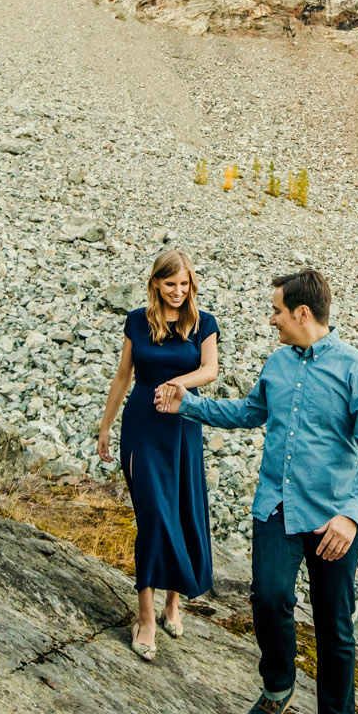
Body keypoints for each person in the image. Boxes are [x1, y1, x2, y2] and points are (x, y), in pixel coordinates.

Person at [155, 268, 358, 714]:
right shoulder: (279, 363)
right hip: (276, 507)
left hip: (334, 521)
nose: (272, 319)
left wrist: (352, 516)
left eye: (277, 311)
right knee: (268, 598)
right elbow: (249, 412)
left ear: (302, 314)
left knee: (335, 631)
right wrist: (186, 404)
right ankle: (277, 686)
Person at [99, 248, 219, 660]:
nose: (178, 292)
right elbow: (123, 375)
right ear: (155, 283)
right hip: (141, 428)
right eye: (170, 284)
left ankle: (173, 602)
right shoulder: (136, 320)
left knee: (181, 509)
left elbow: (210, 370)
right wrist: (105, 425)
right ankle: (146, 615)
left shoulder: (204, 323)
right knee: (153, 514)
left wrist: (176, 384)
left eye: (185, 285)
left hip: (182, 427)